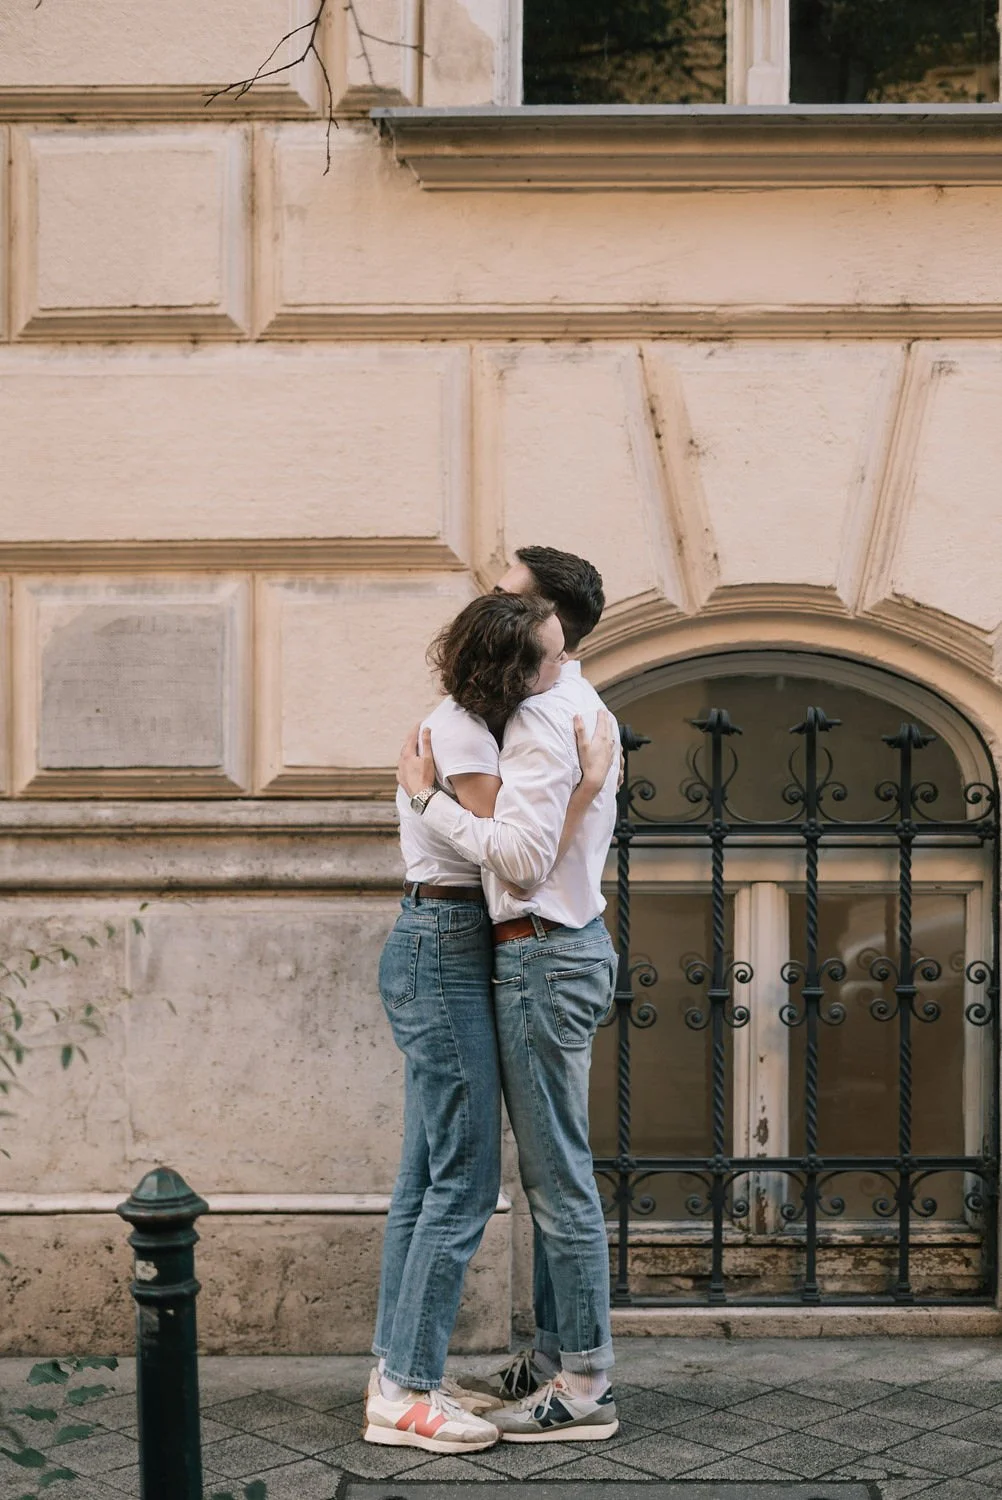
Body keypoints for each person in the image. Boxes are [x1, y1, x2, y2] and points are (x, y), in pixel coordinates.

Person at [365, 589, 615, 1456]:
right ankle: (404, 1389)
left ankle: (398, 1371)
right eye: (548, 658)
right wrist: (429, 801)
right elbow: (518, 854)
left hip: (458, 940)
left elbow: (529, 853)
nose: (562, 670)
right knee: (462, 1180)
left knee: (432, 1174)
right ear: (510, 668)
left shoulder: (499, 723)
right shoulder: (470, 736)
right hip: (444, 943)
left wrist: (583, 790)